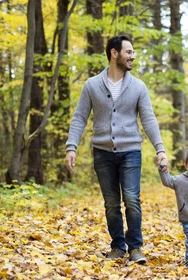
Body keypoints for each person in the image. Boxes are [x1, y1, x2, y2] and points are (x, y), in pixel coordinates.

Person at [65, 34, 169, 263]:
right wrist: (71, 146)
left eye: (132, 52)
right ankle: (117, 247)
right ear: (114, 53)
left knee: (132, 199)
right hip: (102, 152)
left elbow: (149, 119)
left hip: (131, 150)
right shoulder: (92, 85)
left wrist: (160, 149)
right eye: (129, 52)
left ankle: (135, 248)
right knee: (111, 203)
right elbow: (80, 117)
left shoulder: (138, 86)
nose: (133, 56)